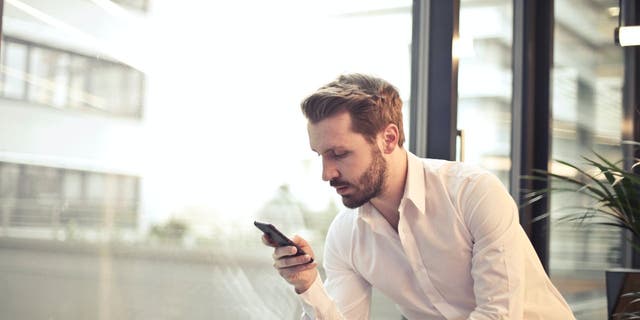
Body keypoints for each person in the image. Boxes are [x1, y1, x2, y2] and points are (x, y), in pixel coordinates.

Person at [261, 74, 575, 319]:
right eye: (320, 156)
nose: (326, 173)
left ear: (388, 138)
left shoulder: (473, 193)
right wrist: (307, 285)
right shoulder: (346, 235)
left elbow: (498, 315)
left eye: (339, 154)